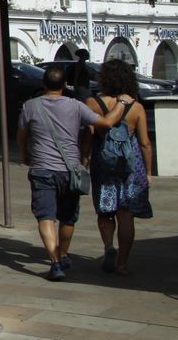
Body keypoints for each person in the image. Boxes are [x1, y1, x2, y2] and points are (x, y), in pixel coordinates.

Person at [16, 64, 133, 281]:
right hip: (70, 171)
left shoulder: (30, 106)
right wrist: (123, 102)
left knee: (45, 217)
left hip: (41, 169)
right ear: (65, 85)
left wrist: (25, 155)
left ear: (43, 84)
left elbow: (21, 135)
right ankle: (62, 254)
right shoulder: (76, 106)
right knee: (68, 218)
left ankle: (55, 263)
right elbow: (107, 123)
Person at [83, 58, 154, 275]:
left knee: (105, 211)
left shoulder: (93, 103)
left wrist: (84, 159)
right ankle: (122, 264)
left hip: (103, 162)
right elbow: (145, 143)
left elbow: (88, 136)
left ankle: (108, 247)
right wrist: (149, 172)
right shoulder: (136, 106)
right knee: (126, 213)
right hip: (130, 164)